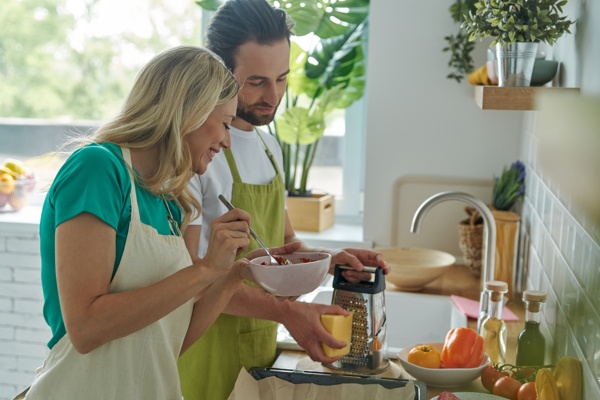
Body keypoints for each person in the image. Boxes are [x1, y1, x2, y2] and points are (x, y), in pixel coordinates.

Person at [17, 45, 299, 400]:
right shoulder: (97, 169)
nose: (227, 142)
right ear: (189, 112)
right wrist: (205, 268)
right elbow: (87, 328)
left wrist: (231, 274)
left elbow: (168, 343)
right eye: (225, 124)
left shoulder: (170, 200)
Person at [177, 1, 390, 399]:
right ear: (218, 73)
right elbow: (192, 284)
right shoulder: (198, 155)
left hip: (260, 344)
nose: (272, 96)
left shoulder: (269, 145)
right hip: (204, 349)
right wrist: (285, 311)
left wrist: (329, 260)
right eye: (256, 81)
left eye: (282, 77)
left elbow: (281, 247)